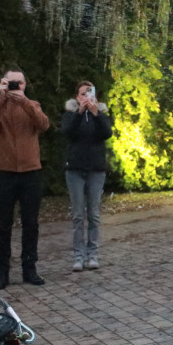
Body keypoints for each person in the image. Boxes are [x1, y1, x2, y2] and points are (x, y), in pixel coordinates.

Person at [0, 68, 50, 289]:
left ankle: (29, 268)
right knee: (3, 225)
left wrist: (25, 102)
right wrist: (2, 98)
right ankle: (2, 271)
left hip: (31, 172)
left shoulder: (33, 105)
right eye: (11, 83)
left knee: (31, 223)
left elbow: (43, 125)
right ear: (3, 83)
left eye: (19, 83)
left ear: (25, 85)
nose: (15, 87)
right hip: (4, 173)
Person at [61, 80, 113, 272]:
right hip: (75, 169)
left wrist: (95, 114)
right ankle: (78, 255)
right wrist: (80, 113)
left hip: (96, 169)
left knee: (94, 214)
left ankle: (92, 254)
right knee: (77, 214)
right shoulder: (70, 115)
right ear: (77, 97)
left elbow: (107, 133)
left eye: (89, 93)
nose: (86, 97)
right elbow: (67, 132)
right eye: (82, 93)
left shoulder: (102, 115)